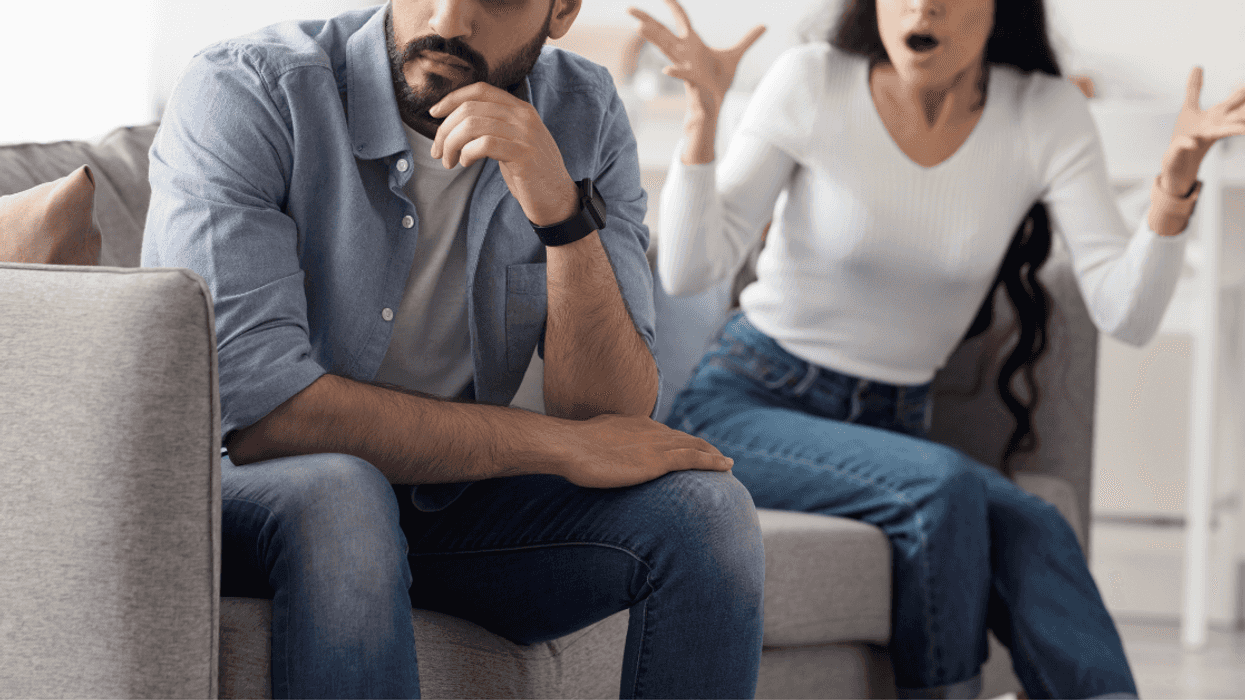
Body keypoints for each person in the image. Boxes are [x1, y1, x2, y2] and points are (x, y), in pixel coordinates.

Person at [141, 0, 767, 697]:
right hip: (241, 496)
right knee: (344, 492)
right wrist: (553, 446)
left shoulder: (583, 109)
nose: (448, 19)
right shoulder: (249, 88)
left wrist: (561, 213)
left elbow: (609, 412)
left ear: (561, 12)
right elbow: (265, 416)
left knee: (706, 513)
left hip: (446, 508)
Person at [631, 0, 1245, 697]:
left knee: (1034, 524)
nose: (922, 7)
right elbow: (686, 271)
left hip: (893, 428)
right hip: (749, 404)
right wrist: (702, 118)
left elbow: (1124, 314)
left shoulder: (1043, 113)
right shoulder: (811, 80)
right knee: (941, 488)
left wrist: (1174, 184)